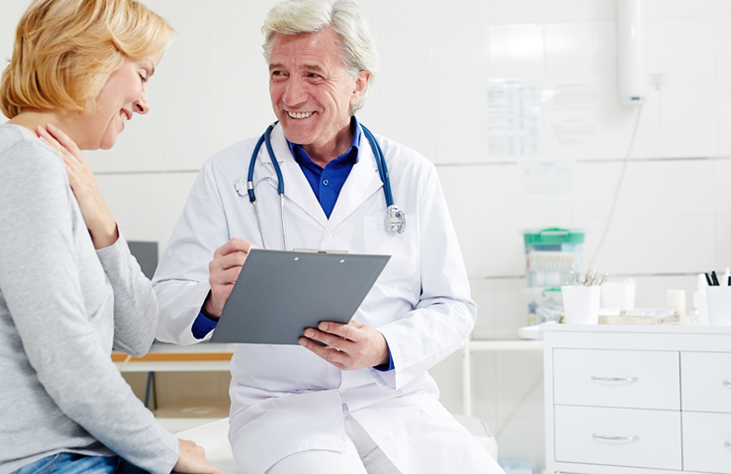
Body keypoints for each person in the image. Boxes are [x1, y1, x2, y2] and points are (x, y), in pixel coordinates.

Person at [153, 0, 505, 473]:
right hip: (281, 411)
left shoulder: (409, 173)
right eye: (279, 73)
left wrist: (384, 348)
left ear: (359, 83)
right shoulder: (227, 173)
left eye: (313, 75)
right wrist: (212, 302)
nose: (291, 95)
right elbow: (163, 305)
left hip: (393, 404)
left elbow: (454, 308)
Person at [0, 1, 219, 473]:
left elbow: (137, 334)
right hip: (36, 462)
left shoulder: (54, 171)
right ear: (91, 60)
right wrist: (165, 449)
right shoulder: (19, 164)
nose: (144, 101)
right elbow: (66, 358)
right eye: (143, 74)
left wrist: (105, 226)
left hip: (69, 452)